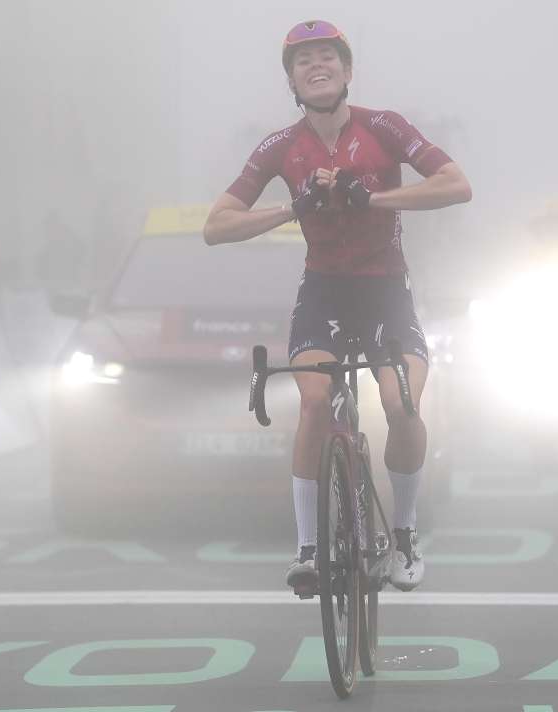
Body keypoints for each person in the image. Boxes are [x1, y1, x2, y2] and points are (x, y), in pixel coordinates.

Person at [203, 20, 471, 592]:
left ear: (347, 71)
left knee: (402, 405)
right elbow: (216, 226)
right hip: (323, 291)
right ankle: (308, 549)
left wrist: (369, 197)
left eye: (327, 56)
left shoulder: (384, 126)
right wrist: (291, 209)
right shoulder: (280, 146)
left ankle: (404, 535)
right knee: (314, 401)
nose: (316, 66)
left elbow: (455, 185)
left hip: (385, 290)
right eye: (303, 61)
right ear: (292, 82)